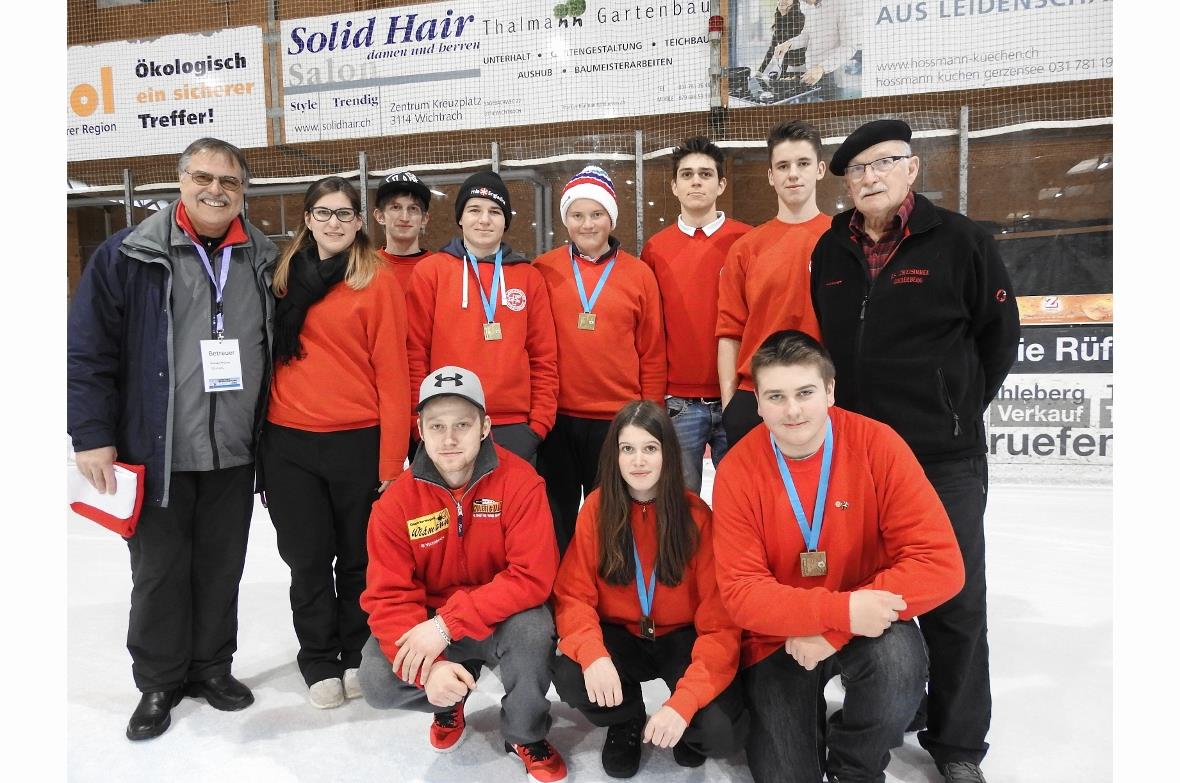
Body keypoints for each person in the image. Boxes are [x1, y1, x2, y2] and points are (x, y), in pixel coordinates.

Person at [810, 119, 1020, 783]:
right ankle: (888, 703)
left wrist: (953, 410)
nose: (870, 177)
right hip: (859, 461)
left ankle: (957, 744)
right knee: (871, 592)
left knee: (955, 600)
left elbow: (998, 338)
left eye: (883, 163)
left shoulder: (962, 240)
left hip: (942, 458)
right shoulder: (830, 249)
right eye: (857, 169)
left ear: (912, 168)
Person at [67, 137, 276, 740]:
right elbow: (89, 351)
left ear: (243, 190)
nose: (216, 191)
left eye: (229, 182)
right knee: (158, 573)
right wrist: (92, 434)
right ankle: (159, 679)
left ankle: (212, 667)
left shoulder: (263, 257)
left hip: (235, 449)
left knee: (220, 567)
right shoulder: (128, 254)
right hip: (156, 449)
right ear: (180, 179)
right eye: (204, 177)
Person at [711, 330, 966, 783]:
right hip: (778, 636)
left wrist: (837, 628)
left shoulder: (878, 445)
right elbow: (741, 594)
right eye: (776, 396)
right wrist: (840, 611)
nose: (792, 410)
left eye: (805, 393)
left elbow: (941, 564)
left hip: (868, 621)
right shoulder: (736, 470)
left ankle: (856, 763)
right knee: (788, 776)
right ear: (759, 404)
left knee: (899, 664)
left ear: (830, 390)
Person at [358, 366, 567, 783]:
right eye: (437, 426)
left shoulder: (522, 483)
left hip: (499, 616)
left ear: (485, 426)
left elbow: (532, 577)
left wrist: (447, 625)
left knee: (533, 630)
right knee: (377, 680)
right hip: (430, 621)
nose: (449, 438)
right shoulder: (395, 503)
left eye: (462, 425)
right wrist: (430, 667)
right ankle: (446, 699)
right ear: (420, 430)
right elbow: (388, 597)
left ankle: (525, 733)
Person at [260, 176, 411, 709]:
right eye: (323, 213)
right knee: (306, 559)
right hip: (288, 446)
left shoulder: (378, 280)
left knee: (357, 559)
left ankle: (353, 651)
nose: (334, 223)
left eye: (345, 214)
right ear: (307, 218)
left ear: (358, 222)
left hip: (357, 442)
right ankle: (318, 657)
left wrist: (393, 461)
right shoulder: (280, 276)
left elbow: (395, 374)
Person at [551, 400, 748, 779]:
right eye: (628, 449)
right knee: (570, 672)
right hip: (621, 636)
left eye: (650, 448)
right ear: (615, 456)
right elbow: (573, 596)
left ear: (668, 455)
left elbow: (720, 624)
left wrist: (684, 705)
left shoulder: (696, 517)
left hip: (682, 638)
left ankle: (684, 728)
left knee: (721, 733)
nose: (638, 461)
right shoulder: (596, 509)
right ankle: (627, 719)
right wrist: (593, 655)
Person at [534, 166, 666, 554]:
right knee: (556, 516)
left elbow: (653, 351)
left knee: (609, 516)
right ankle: (558, 596)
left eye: (596, 214)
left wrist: (650, 416)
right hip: (557, 418)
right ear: (566, 220)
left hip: (617, 419)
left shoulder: (639, 275)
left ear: (611, 218)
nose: (587, 224)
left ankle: (608, 593)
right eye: (577, 215)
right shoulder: (543, 269)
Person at [407, 170, 558, 463]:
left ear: (506, 221)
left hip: (514, 427)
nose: (484, 219)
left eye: (495, 211)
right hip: (448, 421)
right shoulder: (431, 272)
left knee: (512, 509)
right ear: (460, 218)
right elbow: (415, 353)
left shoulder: (528, 277)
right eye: (474, 210)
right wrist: (420, 423)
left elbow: (544, 357)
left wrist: (537, 426)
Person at [641, 138, 751, 492]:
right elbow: (650, 330)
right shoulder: (656, 249)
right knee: (682, 507)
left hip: (737, 396)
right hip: (679, 404)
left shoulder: (747, 240)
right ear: (674, 186)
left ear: (721, 184)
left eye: (705, 174)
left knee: (743, 498)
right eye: (686, 174)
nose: (696, 181)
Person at [716, 119, 830, 448]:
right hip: (756, 397)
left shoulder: (842, 240)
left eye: (803, 163)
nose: (792, 173)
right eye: (782, 166)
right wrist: (730, 403)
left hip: (821, 396)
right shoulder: (746, 249)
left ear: (820, 169)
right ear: (771, 176)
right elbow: (729, 331)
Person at [773, 0, 858, 101]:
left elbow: (849, 47)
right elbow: (807, 35)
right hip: (811, 76)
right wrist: (789, 44)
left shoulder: (841, 4)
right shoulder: (809, 7)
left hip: (833, 79)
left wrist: (821, 68)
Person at [373, 170, 432, 293]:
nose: (404, 218)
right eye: (396, 207)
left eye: (413, 208)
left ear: (424, 219)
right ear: (380, 216)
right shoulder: (365, 267)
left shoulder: (439, 267)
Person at [758, 0, 806, 76]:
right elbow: (771, 50)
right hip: (789, 68)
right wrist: (760, 72)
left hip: (805, 67)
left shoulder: (800, 19)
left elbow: (792, 45)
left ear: (794, 2)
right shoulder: (779, 22)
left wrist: (782, 73)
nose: (782, 1)